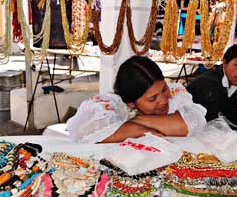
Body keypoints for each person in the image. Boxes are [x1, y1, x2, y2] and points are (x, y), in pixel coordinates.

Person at [66, 55, 207, 143]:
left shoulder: (175, 91)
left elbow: (191, 124)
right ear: (131, 103)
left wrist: (137, 121)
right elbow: (83, 131)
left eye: (164, 89)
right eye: (153, 99)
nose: (164, 100)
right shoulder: (111, 104)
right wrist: (146, 130)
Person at [186, 44, 237, 131]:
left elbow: (232, 111)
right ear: (225, 63)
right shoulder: (209, 84)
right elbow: (211, 122)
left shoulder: (228, 81)